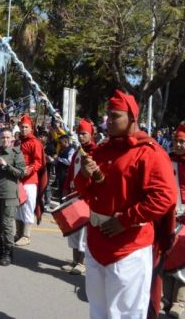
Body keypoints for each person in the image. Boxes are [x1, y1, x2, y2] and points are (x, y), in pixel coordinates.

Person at [74, 90, 176, 319]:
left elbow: (164, 197)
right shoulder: (101, 150)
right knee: (98, 311)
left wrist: (125, 220)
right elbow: (84, 192)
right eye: (107, 115)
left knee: (126, 314)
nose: (108, 121)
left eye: (114, 116)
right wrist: (84, 175)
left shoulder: (150, 152)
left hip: (128, 248)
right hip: (96, 243)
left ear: (132, 118)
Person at [60, 118, 97, 275]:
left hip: (86, 198)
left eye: (84, 134)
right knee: (73, 230)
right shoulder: (77, 152)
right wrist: (66, 190)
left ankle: (82, 263)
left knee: (83, 232)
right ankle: (75, 260)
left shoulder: (95, 152)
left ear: (91, 135)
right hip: (73, 196)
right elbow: (70, 174)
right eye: (79, 134)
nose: (81, 137)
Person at [0, 128, 26, 266]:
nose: (5, 140)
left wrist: (6, 165)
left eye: (8, 137)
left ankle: (8, 253)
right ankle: (0, 249)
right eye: (3, 137)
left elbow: (21, 173)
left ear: (12, 139)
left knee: (7, 225)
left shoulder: (16, 153)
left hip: (9, 195)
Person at [163, 124, 185, 317]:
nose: (178, 144)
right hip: (169, 216)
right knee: (167, 258)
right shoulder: (167, 161)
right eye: (176, 141)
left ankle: (180, 301)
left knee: (183, 262)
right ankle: (167, 299)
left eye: (182, 142)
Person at [14, 114, 44, 246]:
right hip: (17, 179)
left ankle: (26, 235)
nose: (23, 129)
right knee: (17, 207)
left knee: (27, 207)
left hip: (30, 180)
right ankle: (18, 233)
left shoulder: (35, 143)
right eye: (22, 127)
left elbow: (38, 162)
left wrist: (29, 169)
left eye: (26, 127)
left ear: (31, 128)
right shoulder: (18, 142)